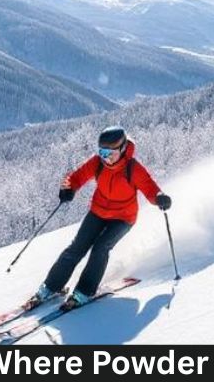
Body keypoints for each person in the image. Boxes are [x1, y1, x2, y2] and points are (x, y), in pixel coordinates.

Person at [28, 125, 172, 311]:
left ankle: (84, 291)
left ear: (122, 149)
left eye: (111, 153)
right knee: (77, 247)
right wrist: (69, 188)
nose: (106, 158)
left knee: (100, 248)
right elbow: (76, 177)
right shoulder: (97, 163)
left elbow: (150, 188)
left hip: (123, 217)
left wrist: (159, 197)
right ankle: (50, 287)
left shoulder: (133, 168)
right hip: (98, 212)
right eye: (102, 152)